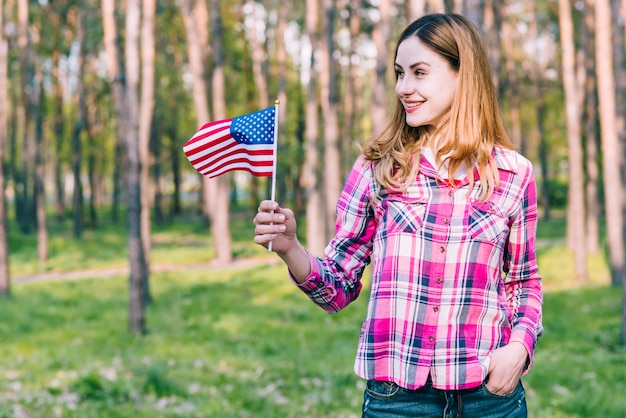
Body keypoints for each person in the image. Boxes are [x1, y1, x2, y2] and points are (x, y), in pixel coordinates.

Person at [253, 12, 543, 418]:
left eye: (419, 73)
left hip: (489, 398)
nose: (404, 88)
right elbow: (337, 288)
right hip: (398, 401)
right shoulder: (377, 169)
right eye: (399, 73)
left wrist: (519, 348)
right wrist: (291, 248)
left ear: (464, 76)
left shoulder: (514, 174)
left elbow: (523, 280)